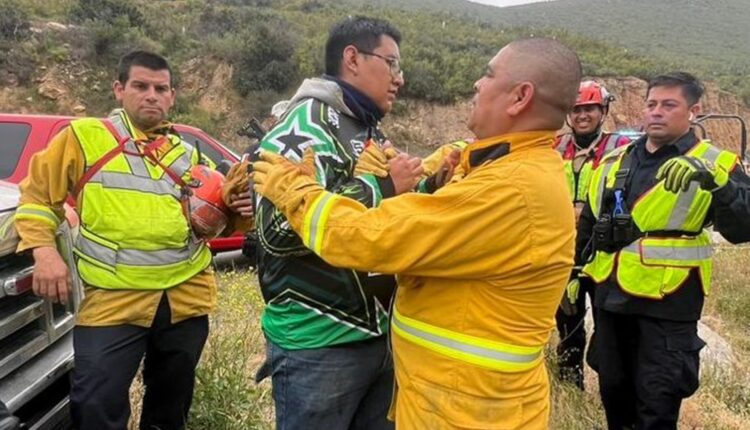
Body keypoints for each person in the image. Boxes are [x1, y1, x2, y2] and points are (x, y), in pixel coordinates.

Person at [252, 37, 582, 429]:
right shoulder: (513, 169)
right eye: (391, 63)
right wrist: (434, 182)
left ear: (519, 97)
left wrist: (299, 193)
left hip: (464, 408)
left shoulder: (510, 187)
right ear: (352, 59)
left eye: (488, 75)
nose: (477, 84)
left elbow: (375, 236)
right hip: (446, 395)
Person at [13, 50, 252, 430]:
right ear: (119, 89)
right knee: (95, 406)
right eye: (141, 86)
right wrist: (44, 251)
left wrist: (239, 210)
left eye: (161, 88)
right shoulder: (83, 137)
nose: (151, 95)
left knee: (170, 410)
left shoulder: (187, 155)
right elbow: (37, 197)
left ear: (172, 96)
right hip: (112, 301)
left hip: (184, 301)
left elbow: (216, 226)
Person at [252, 16, 424, 430]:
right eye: (392, 64)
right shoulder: (305, 125)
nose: (399, 79)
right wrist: (381, 186)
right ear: (352, 58)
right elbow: (275, 231)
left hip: (376, 331)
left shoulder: (364, 126)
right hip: (319, 343)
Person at [578, 72, 750, 429]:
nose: (656, 112)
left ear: (694, 111)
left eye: (669, 105)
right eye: (651, 104)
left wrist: (717, 184)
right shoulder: (615, 161)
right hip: (611, 302)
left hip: (668, 306)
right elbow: (590, 226)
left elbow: (743, 228)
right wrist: (574, 276)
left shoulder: (716, 163)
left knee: (656, 406)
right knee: (614, 397)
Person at [554, 80, 631, 389]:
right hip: (565, 250)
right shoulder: (555, 147)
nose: (582, 115)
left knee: (607, 327)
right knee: (568, 324)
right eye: (576, 110)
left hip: (603, 250)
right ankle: (571, 387)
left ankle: (614, 389)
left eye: (589, 109)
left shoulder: (622, 146)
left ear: (603, 111)